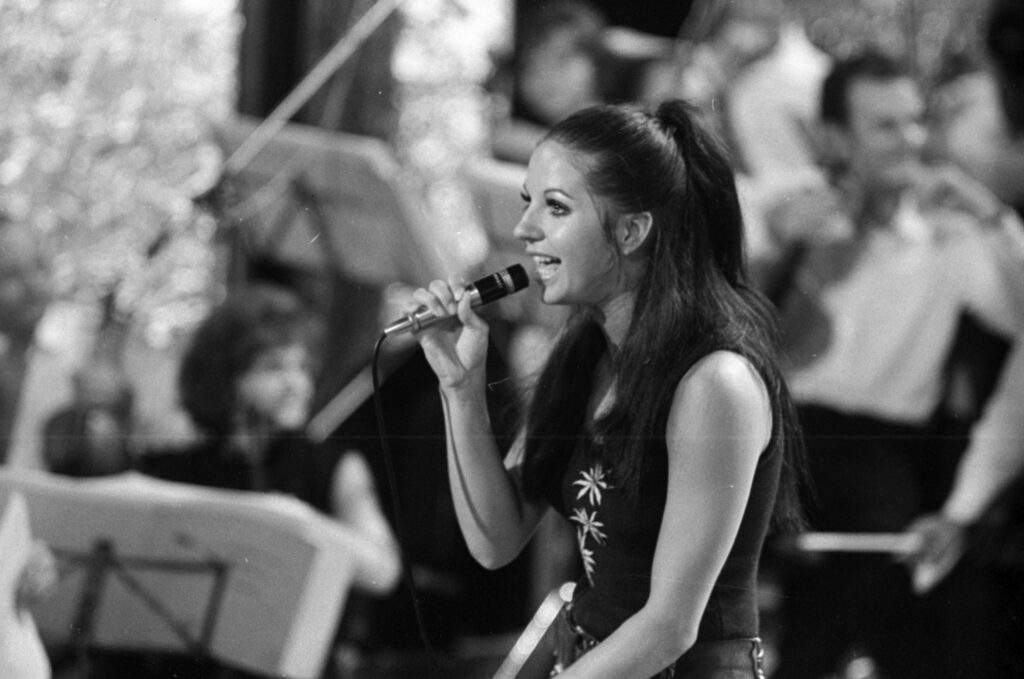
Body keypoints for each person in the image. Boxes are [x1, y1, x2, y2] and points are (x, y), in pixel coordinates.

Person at [404, 98, 805, 677]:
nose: (524, 229)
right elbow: (495, 540)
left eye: (555, 207)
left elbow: (669, 627)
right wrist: (460, 390)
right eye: (528, 202)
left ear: (632, 230)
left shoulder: (716, 382)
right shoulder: (582, 352)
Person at [757, 51, 1024, 679]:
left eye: (915, 122)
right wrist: (778, 247)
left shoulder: (948, 234)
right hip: (776, 431)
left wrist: (994, 217)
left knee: (884, 560)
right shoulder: (786, 206)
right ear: (835, 138)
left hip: (881, 450)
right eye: (885, 126)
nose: (909, 141)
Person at [108, 284, 400, 679]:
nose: (297, 384)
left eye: (302, 367)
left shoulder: (333, 465)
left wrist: (295, 519)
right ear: (226, 378)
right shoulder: (175, 467)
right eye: (274, 368)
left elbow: (382, 571)